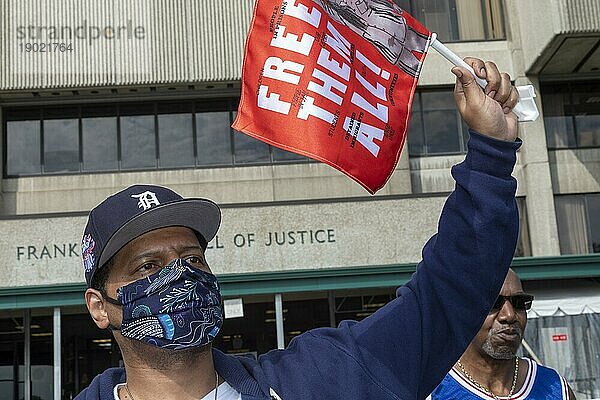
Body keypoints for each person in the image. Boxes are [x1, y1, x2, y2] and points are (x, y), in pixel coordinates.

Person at [76, 58, 522, 400]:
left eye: (192, 259)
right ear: (100, 307)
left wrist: (491, 154)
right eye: (148, 266)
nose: (180, 277)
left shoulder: (320, 379)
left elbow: (445, 300)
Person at [428, 269, 577, 400]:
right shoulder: (430, 388)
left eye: (519, 302)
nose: (510, 315)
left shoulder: (555, 388)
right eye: (492, 303)